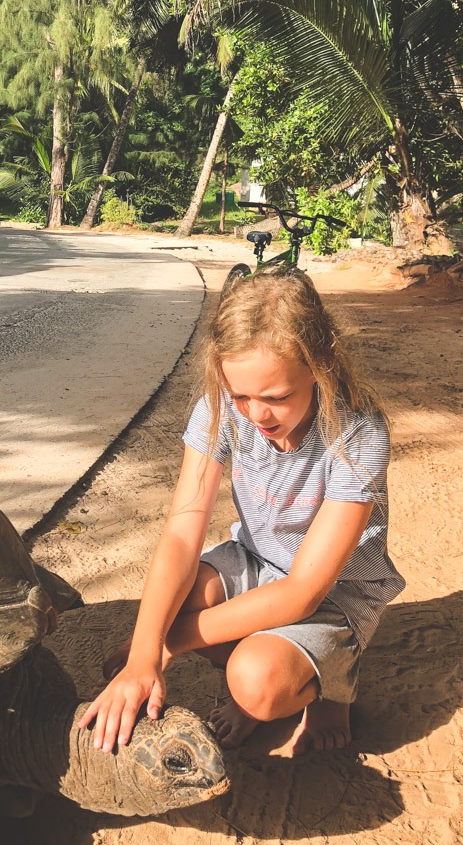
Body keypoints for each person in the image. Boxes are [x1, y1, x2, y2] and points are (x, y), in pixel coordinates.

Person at [78, 268, 404, 755]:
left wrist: (162, 647)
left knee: (256, 680)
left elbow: (303, 591)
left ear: (320, 366)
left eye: (277, 398)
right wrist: (143, 653)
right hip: (254, 560)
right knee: (174, 599)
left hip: (334, 591)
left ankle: (332, 688)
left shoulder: (358, 431)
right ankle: (287, 665)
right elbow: (183, 535)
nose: (256, 415)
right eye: (240, 396)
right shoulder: (220, 409)